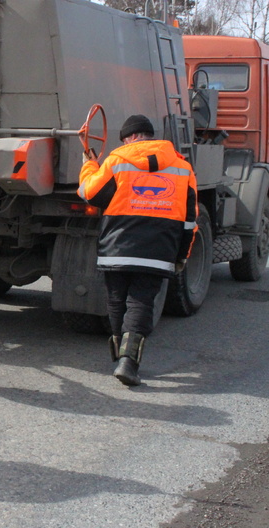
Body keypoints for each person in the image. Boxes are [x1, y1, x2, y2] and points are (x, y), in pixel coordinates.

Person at [78, 114, 198, 386]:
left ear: (130, 137)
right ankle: (128, 362)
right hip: (158, 250)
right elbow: (190, 221)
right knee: (141, 302)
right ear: (149, 135)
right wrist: (181, 256)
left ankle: (121, 358)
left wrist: (89, 166)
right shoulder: (183, 168)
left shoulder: (117, 161)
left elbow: (90, 194)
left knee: (117, 300)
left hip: (118, 247)